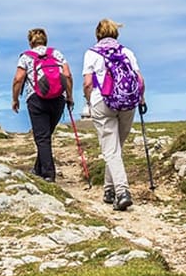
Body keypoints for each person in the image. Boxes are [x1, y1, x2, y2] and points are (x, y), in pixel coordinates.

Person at [82, 18, 146, 211]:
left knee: (111, 149)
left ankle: (122, 191)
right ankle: (109, 190)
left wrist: (89, 101)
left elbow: (87, 83)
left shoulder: (91, 54)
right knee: (116, 147)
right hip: (128, 103)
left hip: (102, 102)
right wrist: (141, 99)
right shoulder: (127, 52)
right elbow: (139, 78)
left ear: (97, 34)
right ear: (115, 33)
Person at [12, 27, 73, 182]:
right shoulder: (57, 54)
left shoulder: (26, 57)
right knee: (45, 136)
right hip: (58, 98)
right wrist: (70, 97)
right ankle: (38, 169)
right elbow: (67, 75)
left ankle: (48, 174)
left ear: (30, 42)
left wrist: (15, 99)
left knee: (42, 138)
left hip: (36, 99)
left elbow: (18, 79)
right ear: (45, 40)